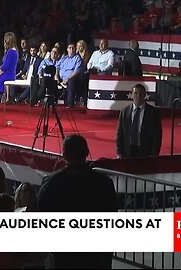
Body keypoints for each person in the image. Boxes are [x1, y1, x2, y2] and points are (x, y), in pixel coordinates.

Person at [38, 134, 118, 269]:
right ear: (87, 152)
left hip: (63, 255)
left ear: (64, 155)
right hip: (95, 256)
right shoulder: (104, 183)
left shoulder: (51, 183)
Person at [116, 84, 162, 158]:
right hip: (128, 151)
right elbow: (120, 134)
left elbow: (157, 136)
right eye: (136, 93)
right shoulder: (124, 111)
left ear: (145, 95)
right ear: (131, 95)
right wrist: (119, 152)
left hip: (146, 152)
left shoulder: (153, 112)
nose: (138, 95)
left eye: (141, 93)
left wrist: (154, 153)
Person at [56, 43, 83, 108]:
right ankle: (51, 102)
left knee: (71, 81)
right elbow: (57, 67)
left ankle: (70, 104)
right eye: (70, 48)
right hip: (61, 79)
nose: (71, 49)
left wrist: (68, 78)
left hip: (72, 78)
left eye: (73, 48)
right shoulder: (64, 58)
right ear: (67, 49)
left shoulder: (77, 58)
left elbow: (77, 71)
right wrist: (56, 76)